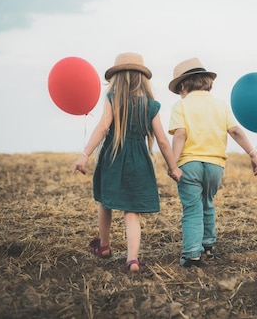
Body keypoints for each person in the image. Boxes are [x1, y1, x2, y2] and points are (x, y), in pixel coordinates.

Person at [73, 52, 183, 274]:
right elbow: (162, 139)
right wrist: (173, 167)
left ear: (118, 78)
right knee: (132, 211)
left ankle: (104, 246)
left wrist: (85, 154)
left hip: (112, 157)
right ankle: (132, 260)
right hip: (139, 161)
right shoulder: (151, 106)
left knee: (105, 200)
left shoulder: (113, 98)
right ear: (142, 79)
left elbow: (103, 127)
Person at [168, 58, 257, 268]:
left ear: (183, 85)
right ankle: (208, 245)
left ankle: (192, 254)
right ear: (206, 81)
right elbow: (235, 131)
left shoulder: (180, 105)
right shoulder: (221, 105)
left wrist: (173, 164)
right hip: (215, 167)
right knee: (207, 204)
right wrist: (252, 154)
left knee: (192, 208)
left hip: (189, 165)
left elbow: (180, 135)